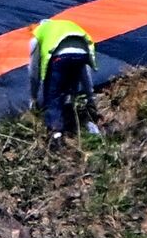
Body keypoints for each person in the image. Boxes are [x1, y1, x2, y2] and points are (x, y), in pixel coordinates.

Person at [28, 18, 100, 150]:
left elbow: (33, 70)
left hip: (60, 58)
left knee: (53, 96)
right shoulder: (66, 26)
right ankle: (74, 118)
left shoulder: (38, 35)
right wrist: (90, 95)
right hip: (82, 53)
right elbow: (85, 72)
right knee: (69, 89)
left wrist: (33, 96)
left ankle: (56, 135)